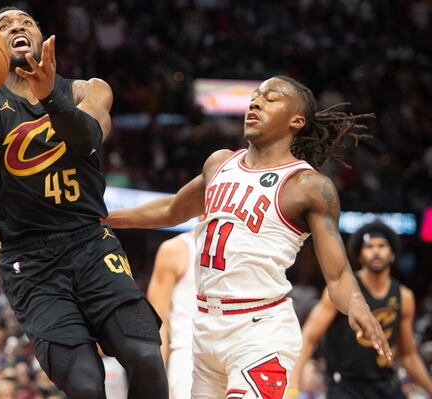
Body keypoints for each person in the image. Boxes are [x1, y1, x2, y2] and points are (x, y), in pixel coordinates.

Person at [0, 6, 167, 399]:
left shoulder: (89, 89)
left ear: (42, 39)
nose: (16, 27)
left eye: (26, 22)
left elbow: (88, 139)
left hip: (90, 243)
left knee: (145, 356)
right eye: (4, 25)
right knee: (87, 385)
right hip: (31, 263)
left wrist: (50, 96)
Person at [105, 75, 392, 399]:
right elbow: (172, 209)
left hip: (260, 332)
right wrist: (104, 218)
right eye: (255, 96)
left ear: (297, 120)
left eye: (271, 98)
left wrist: (357, 304)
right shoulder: (219, 163)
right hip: (205, 332)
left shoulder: (308, 185)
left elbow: (338, 274)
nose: (256, 102)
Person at [287, 221, 432, 399]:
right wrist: (293, 386)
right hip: (344, 384)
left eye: (381, 246)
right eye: (369, 247)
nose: (376, 251)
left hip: (383, 383)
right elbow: (308, 337)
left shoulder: (404, 296)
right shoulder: (342, 289)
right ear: (360, 256)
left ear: (392, 254)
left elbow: (409, 354)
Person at [147, 231, 196, 399]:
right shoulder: (176, 249)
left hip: (240, 353)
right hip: (188, 358)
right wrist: (158, 383)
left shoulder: (252, 244)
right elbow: (156, 323)